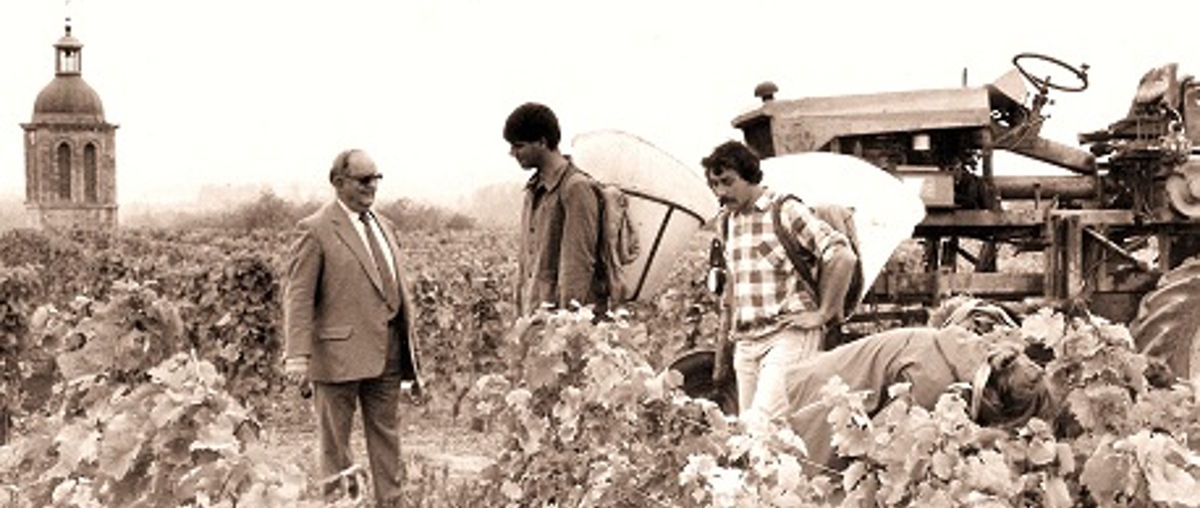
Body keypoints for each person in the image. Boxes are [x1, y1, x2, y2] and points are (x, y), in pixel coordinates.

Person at [283, 148, 422, 507]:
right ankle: (339, 503)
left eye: (376, 178)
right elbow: (298, 296)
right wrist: (297, 355)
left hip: (387, 353)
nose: (371, 186)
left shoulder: (385, 226)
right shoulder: (315, 230)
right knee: (336, 447)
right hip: (336, 357)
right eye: (363, 180)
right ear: (338, 182)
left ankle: (392, 503)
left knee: (387, 438)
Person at [703, 140, 858, 422]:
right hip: (747, 342)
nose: (721, 192)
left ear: (749, 176)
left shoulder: (784, 210)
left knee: (761, 425)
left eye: (728, 182)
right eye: (715, 184)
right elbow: (734, 283)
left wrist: (823, 313)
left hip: (787, 335)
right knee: (754, 435)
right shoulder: (726, 222)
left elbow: (842, 255)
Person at [785, 326, 1054, 473]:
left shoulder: (960, 356)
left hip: (809, 385)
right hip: (808, 410)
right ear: (997, 405)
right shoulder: (935, 385)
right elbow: (878, 451)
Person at [504, 102, 604, 316]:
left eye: (519, 145)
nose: (512, 153)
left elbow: (578, 267)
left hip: (561, 322)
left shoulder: (576, 188)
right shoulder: (533, 190)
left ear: (542, 142)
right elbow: (526, 264)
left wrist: (566, 325)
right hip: (534, 316)